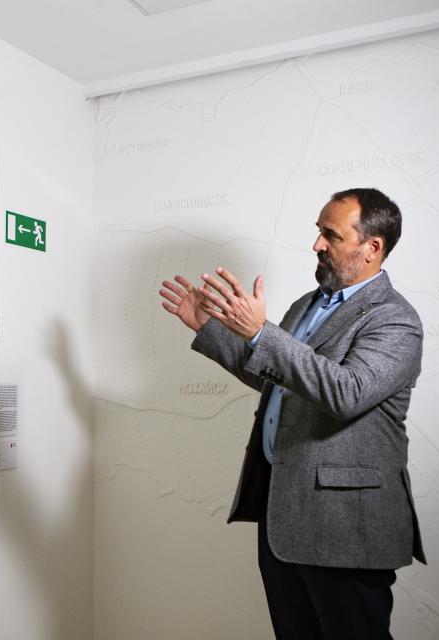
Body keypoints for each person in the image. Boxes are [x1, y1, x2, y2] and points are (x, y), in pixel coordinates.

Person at [159, 188, 425, 640]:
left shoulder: (395, 319)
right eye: (318, 233)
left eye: (330, 235)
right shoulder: (307, 305)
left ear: (372, 248)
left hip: (347, 529)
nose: (317, 244)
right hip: (285, 517)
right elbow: (276, 376)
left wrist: (261, 332)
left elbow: (347, 392)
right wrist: (212, 329)